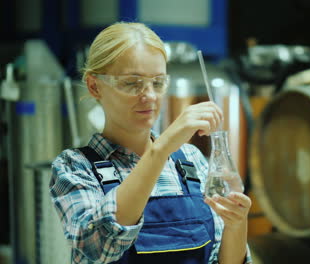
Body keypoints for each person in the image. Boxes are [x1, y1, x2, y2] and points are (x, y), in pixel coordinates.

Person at [50, 22, 252, 264]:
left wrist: (236, 225)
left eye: (157, 82)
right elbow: (99, 248)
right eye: (131, 83)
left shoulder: (190, 161)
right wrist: (161, 148)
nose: (149, 96)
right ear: (95, 86)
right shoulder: (74, 167)